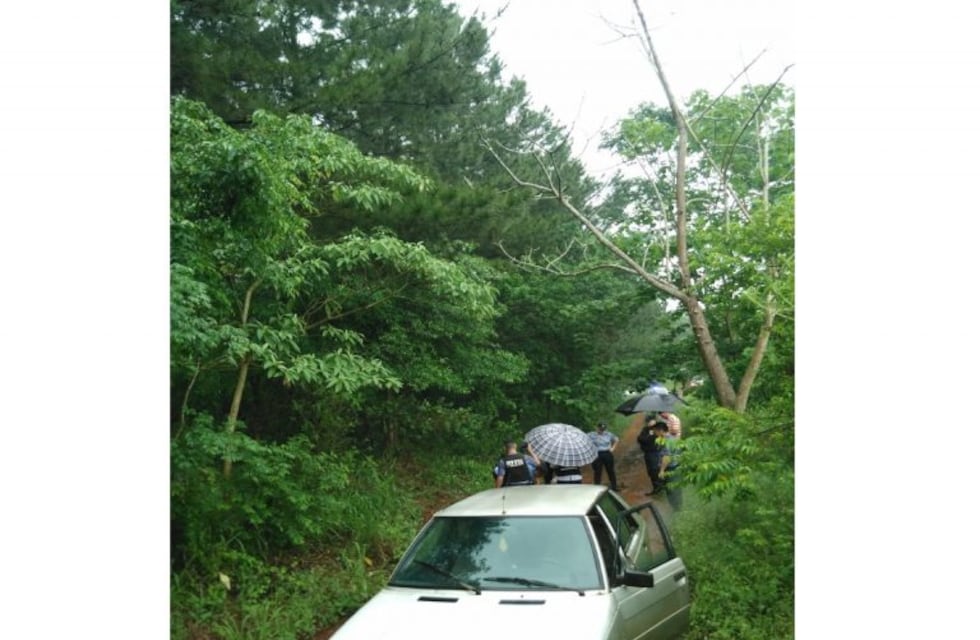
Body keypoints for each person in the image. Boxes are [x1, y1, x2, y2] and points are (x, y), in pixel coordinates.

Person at [638, 418, 669, 496]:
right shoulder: (645, 429)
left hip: (655, 453)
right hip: (647, 453)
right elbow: (640, 439)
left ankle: (660, 488)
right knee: (651, 472)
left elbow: (648, 441)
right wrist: (649, 435)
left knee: (655, 470)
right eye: (651, 424)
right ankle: (656, 488)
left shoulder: (658, 434)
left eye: (654, 425)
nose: (652, 426)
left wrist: (650, 436)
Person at [588, 421, 619, 490]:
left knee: (610, 470)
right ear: (597, 428)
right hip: (596, 454)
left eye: (603, 429)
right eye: (600, 429)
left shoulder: (608, 434)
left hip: (607, 453)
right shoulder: (591, 434)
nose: (601, 431)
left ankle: (614, 486)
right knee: (597, 471)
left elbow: (616, 439)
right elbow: (584, 439)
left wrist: (613, 448)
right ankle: (597, 487)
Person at [658, 428, 683, 511]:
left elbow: (667, 457)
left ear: (661, 430)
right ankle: (679, 507)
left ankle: (677, 509)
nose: (655, 434)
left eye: (655, 431)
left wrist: (661, 471)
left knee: (671, 490)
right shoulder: (672, 438)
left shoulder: (667, 441)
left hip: (670, 469)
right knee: (677, 489)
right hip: (676, 467)